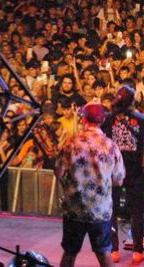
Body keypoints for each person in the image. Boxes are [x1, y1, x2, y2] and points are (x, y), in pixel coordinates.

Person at [101, 84, 144, 264]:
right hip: (135, 171)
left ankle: (114, 250)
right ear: (133, 100)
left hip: (113, 171)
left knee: (112, 211)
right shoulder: (142, 119)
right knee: (137, 211)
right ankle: (137, 251)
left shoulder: (108, 119)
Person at [55, 103, 126, 267]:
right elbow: (119, 180)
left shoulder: (71, 143)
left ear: (83, 119)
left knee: (70, 253)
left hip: (75, 209)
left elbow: (58, 172)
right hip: (100, 210)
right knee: (104, 252)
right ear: (103, 120)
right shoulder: (111, 146)